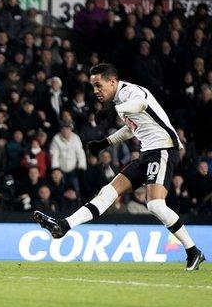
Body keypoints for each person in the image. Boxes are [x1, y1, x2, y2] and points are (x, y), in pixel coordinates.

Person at [33, 64, 204, 271]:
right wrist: (105, 143)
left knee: (155, 205)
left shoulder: (130, 91)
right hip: (147, 152)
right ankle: (63, 226)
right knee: (107, 192)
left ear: (112, 81)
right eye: (93, 86)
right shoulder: (120, 100)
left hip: (163, 148)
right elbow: (131, 129)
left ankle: (193, 251)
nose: (96, 91)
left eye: (98, 85)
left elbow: (140, 104)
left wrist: (113, 111)